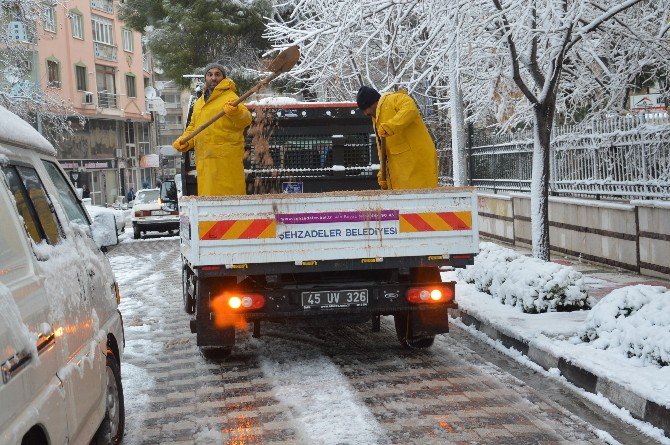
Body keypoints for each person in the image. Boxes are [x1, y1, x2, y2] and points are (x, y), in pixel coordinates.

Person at [173, 62, 252, 196]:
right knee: (209, 207)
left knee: (230, 205)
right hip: (205, 164)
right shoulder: (199, 103)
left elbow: (245, 119)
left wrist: (235, 112)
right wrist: (186, 141)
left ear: (223, 77)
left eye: (217, 74)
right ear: (205, 78)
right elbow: (194, 127)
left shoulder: (231, 98)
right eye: (210, 75)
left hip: (226, 163)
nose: (213, 78)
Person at [356, 85, 438, 190]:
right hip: (402, 176)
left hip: (417, 169)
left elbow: (410, 110)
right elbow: (385, 150)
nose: (365, 113)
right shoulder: (376, 118)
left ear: (370, 104)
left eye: (365, 109)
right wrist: (383, 173)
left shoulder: (395, 99)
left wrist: (391, 126)